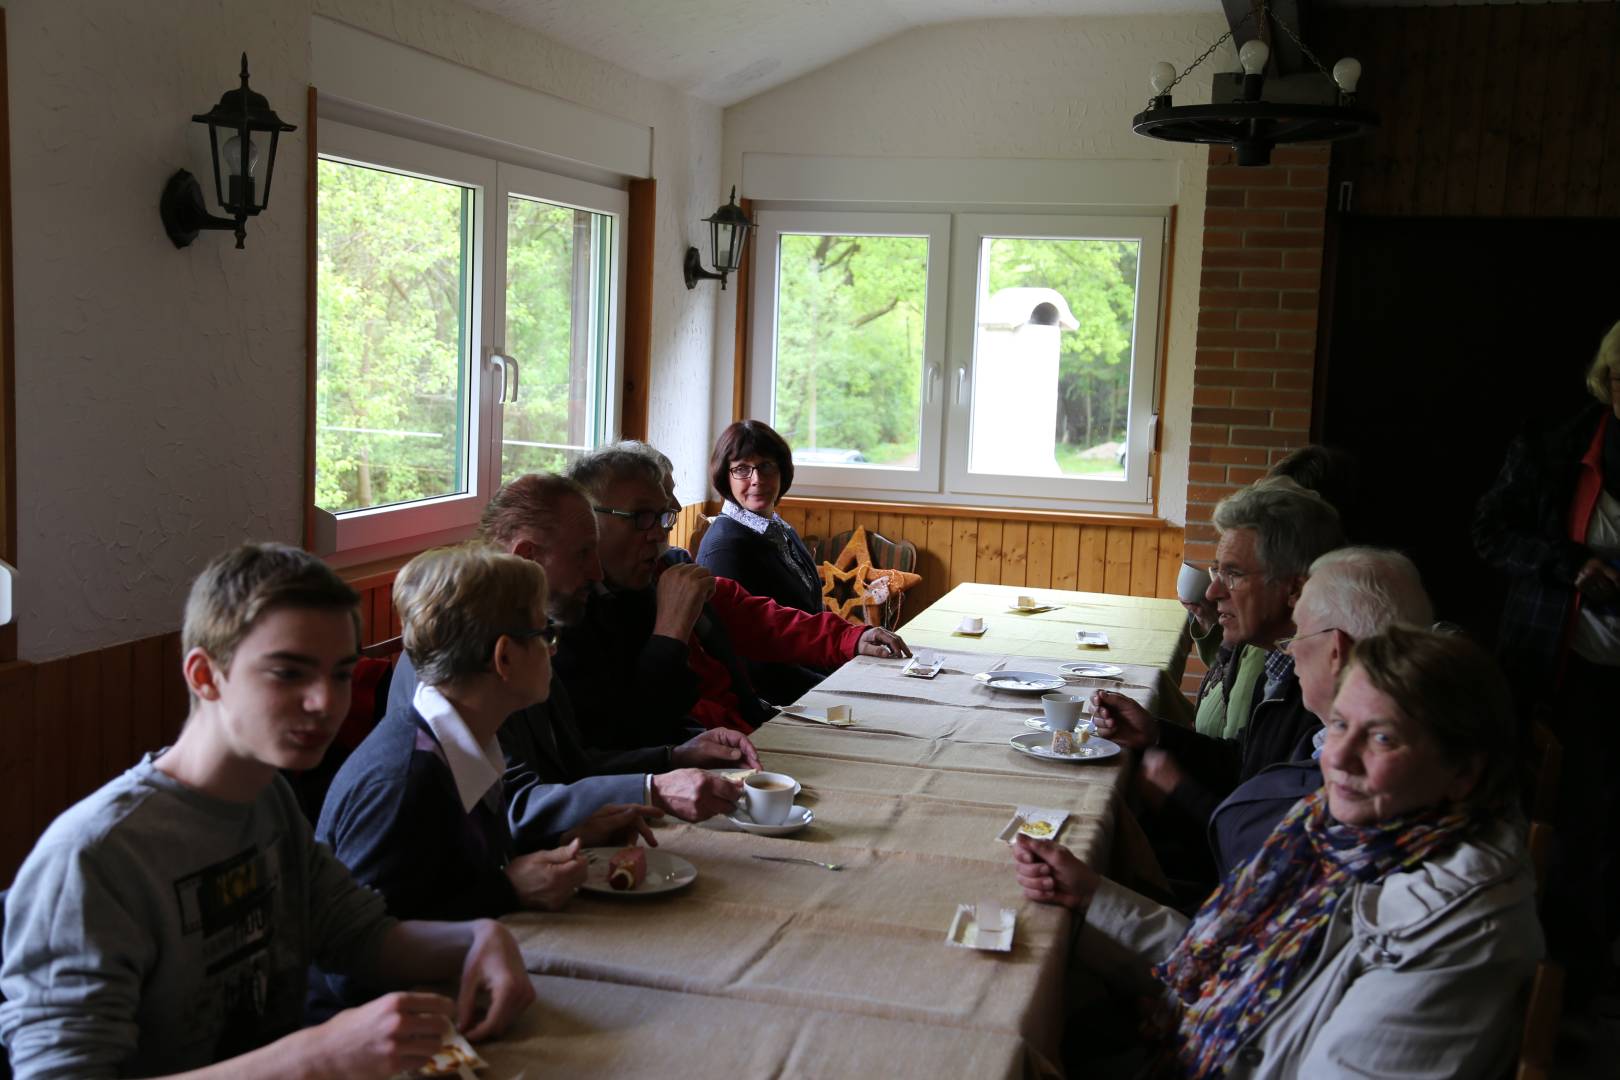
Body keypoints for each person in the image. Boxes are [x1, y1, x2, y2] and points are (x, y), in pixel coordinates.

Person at [0, 543, 533, 1079]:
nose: (325, 702)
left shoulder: (266, 797)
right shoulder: (93, 859)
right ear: (205, 676)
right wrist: (316, 1057)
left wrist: (479, 937)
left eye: (341, 674)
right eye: (288, 673)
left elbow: (360, 938)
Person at [1015, 626, 1542, 1078]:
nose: (1338, 758)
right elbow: (1229, 963)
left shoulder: (1453, 930)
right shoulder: (1345, 836)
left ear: (1464, 772)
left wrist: (1191, 1016)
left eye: (1382, 738)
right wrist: (1093, 897)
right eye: (1338, 725)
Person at [386, 473, 756, 850]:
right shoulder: (461, 654)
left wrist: (674, 756)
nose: (597, 573)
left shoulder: (531, 631)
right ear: (528, 557)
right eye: (583, 553)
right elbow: (509, 806)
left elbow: (573, 767)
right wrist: (652, 789)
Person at [559, 445, 909, 745]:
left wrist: (852, 636)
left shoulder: (667, 570)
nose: (659, 535)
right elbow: (639, 727)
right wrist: (671, 629)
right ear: (586, 519)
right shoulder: (571, 615)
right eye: (642, 517)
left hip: (745, 730)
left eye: (665, 516)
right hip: (700, 759)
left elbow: (761, 620)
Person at [1095, 479, 1342, 888]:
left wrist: (1179, 791)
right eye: (1216, 571)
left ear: (1295, 589)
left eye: (1234, 574)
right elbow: (1244, 766)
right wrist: (1158, 734)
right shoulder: (1278, 660)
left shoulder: (1323, 695)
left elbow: (1264, 855)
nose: (1212, 592)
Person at [1474, 316, 1620, 1005]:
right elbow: (1490, 534)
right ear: (1609, 379)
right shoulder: (1553, 447)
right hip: (1562, 670)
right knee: (1573, 829)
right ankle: (1564, 994)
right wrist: (1569, 565)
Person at [1207, 546, 1433, 875]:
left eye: (1299, 632)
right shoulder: (1325, 736)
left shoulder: (1355, 788)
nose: (1291, 647)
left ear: (1336, 651)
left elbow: (1244, 848)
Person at [697, 420, 826, 702]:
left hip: (811, 673)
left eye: (767, 466)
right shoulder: (724, 548)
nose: (757, 479)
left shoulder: (778, 528)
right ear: (725, 476)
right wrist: (829, 686)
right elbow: (748, 660)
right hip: (775, 700)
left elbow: (813, 612)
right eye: (742, 468)